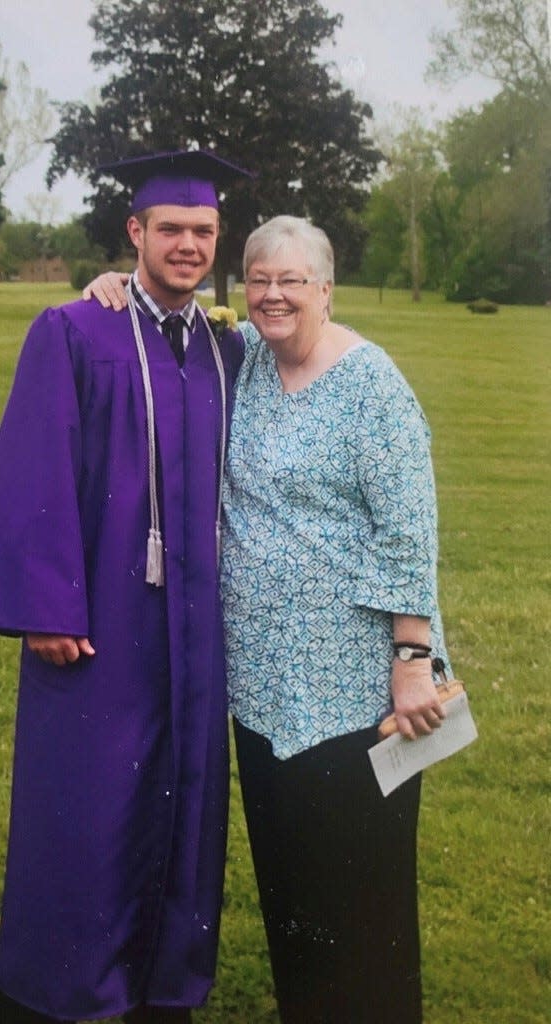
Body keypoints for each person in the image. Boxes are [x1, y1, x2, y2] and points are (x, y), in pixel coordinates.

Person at [85, 215, 450, 1024]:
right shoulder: (242, 359)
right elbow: (160, 331)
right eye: (258, 280)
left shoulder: (370, 383)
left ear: (327, 289)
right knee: (291, 883)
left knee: (360, 887)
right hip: (259, 686)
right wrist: (113, 286)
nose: (273, 295)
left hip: (356, 688)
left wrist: (412, 656)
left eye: (292, 280)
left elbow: (408, 526)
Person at [0, 150, 251, 1024]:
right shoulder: (74, 331)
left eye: (202, 231)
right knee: (90, 798)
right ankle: (65, 987)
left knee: (184, 793)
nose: (188, 245)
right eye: (171, 230)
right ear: (136, 233)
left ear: (216, 237)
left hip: (195, 621)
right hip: (104, 617)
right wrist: (47, 606)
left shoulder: (223, 346)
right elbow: (34, 467)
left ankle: (165, 984)